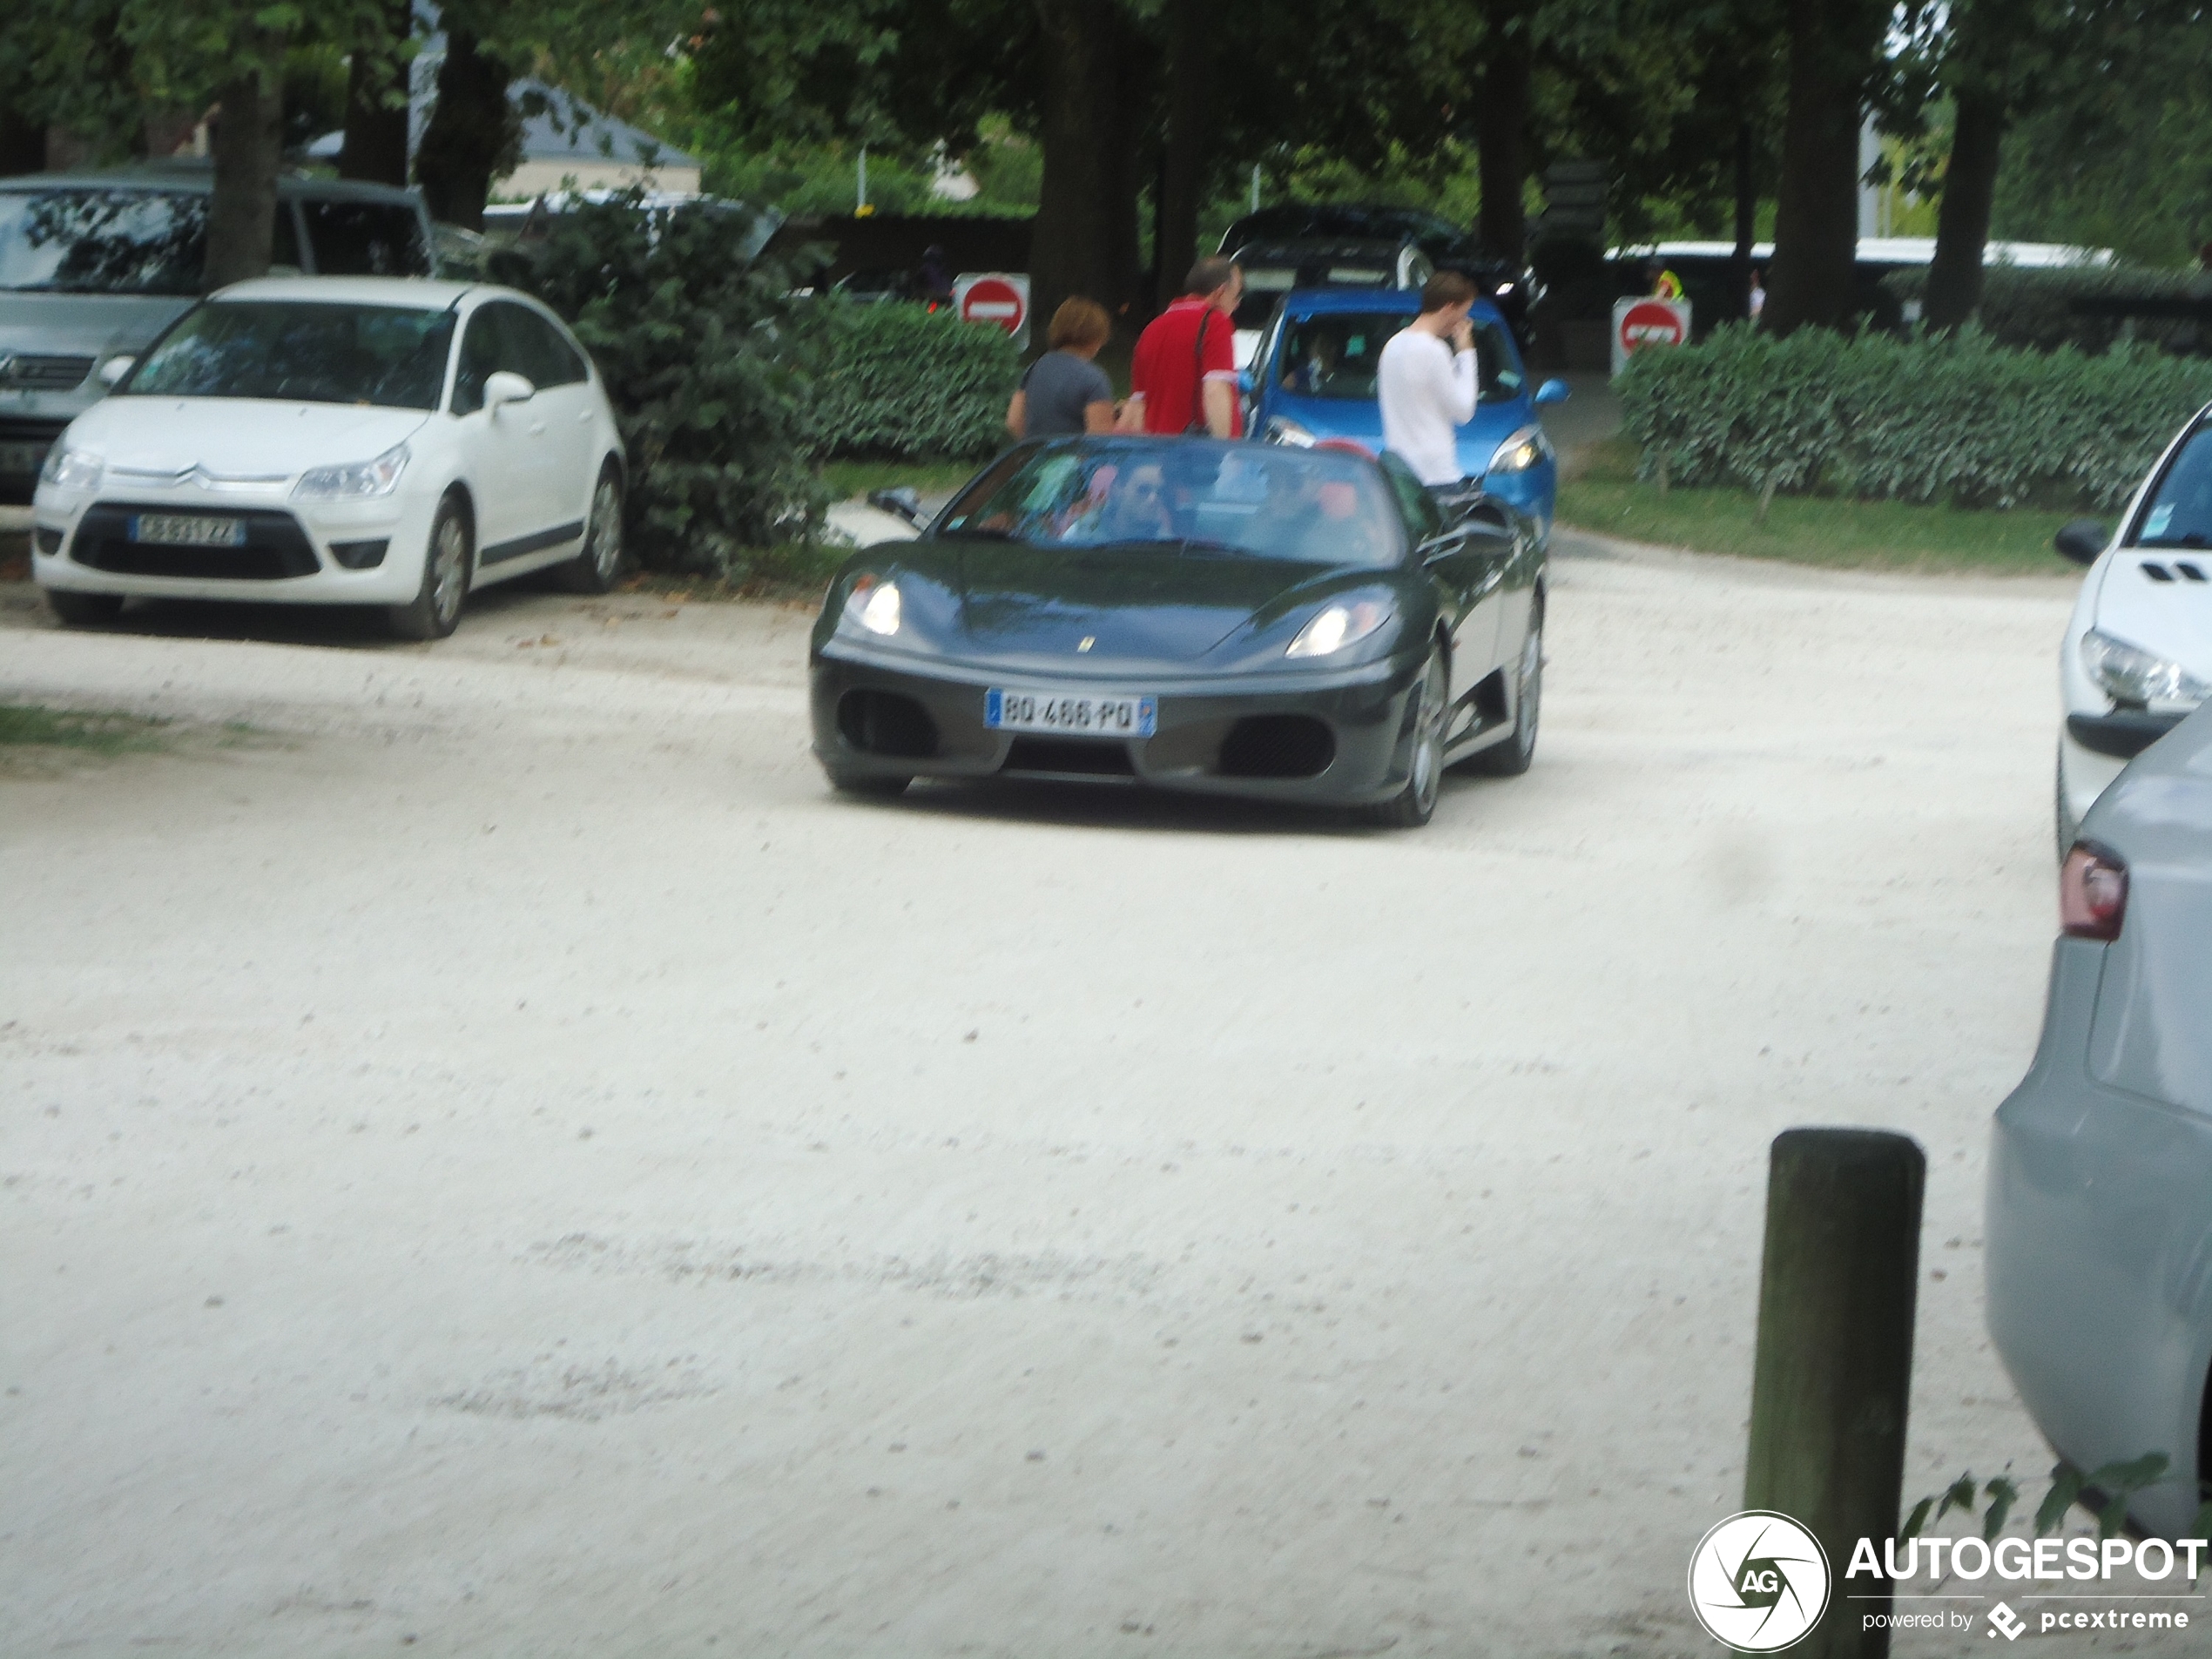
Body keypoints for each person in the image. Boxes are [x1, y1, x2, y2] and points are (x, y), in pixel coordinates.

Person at [1376, 271, 1479, 487]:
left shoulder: (1392, 346)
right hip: (1436, 473)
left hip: (1400, 471)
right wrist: (1466, 352)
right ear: (1449, 308)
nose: (1463, 323)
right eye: (1462, 314)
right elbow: (1464, 411)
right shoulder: (1434, 351)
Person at [1122, 256, 1244, 437]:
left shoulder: (1152, 329)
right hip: (1196, 453)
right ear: (1220, 292)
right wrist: (1224, 451)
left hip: (1158, 450)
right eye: (1237, 295)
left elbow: (1138, 405)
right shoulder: (1215, 322)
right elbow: (1215, 390)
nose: (1238, 304)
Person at [1006, 298, 1116, 439]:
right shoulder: (1093, 378)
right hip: (1074, 458)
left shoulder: (1034, 369)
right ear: (1095, 337)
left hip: (1040, 457)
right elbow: (1100, 438)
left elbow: (1013, 422)